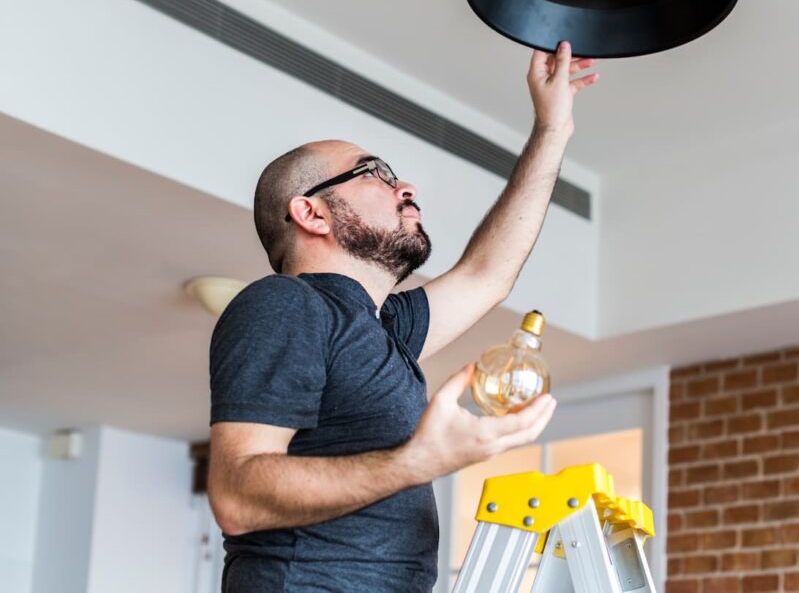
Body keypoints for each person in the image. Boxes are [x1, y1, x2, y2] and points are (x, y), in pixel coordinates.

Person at [207, 42, 599, 592]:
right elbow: (236, 496)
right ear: (311, 212)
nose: (406, 187)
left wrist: (552, 129)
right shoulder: (285, 304)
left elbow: (488, 272)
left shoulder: (382, 327)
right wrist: (418, 461)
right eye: (374, 173)